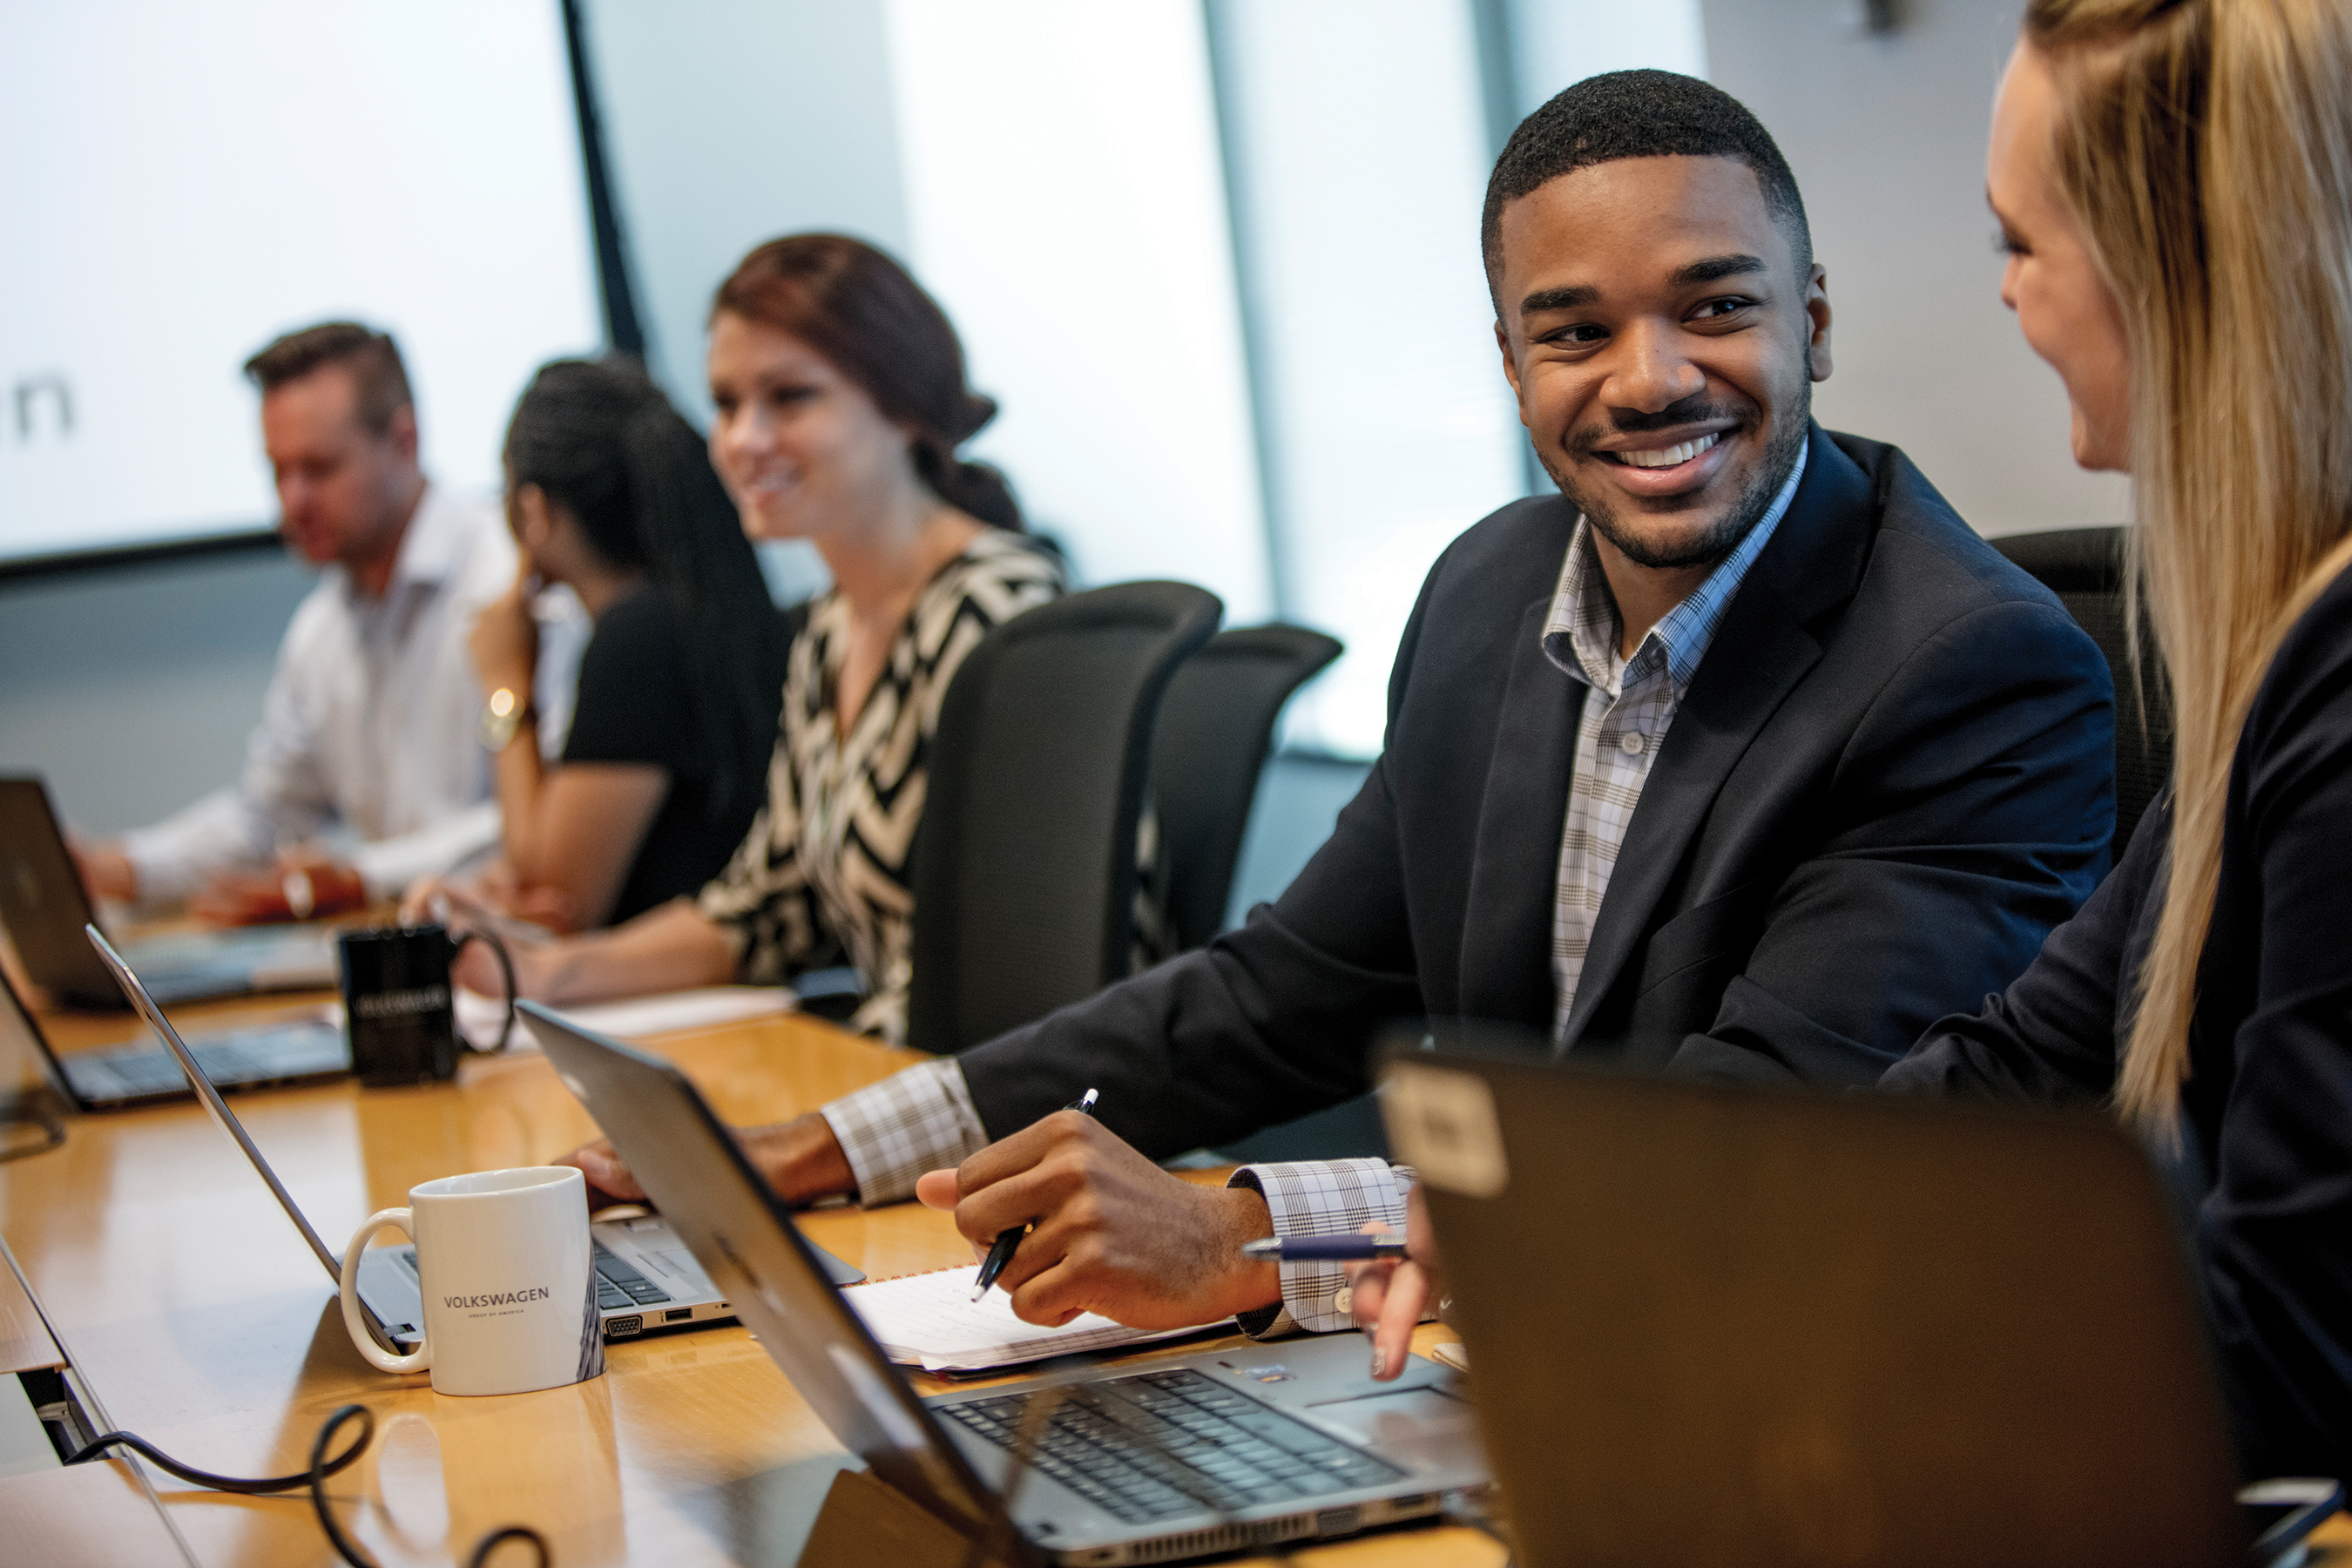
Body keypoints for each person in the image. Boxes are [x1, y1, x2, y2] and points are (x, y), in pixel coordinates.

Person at [567, 75, 2119, 1347]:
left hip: (1760, 1372)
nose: (1649, 381)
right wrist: (835, 1147)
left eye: (1714, 308)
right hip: (1494, 1364)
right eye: (1575, 331)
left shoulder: (1970, 670)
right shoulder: (1490, 594)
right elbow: (1282, 988)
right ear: (1509, 363)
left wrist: (1247, 1231)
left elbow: (1745, 1142)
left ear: (1816, 323)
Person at [1874, 0, 2352, 1482]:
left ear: (2181, 268)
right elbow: (2024, 1071)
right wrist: (1638, 1231)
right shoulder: (2286, 649)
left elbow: (2292, 1345)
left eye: (2024, 243)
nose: (2009, 298)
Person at [451, 235, 1065, 1043]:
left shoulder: (996, 617)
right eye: (728, 403)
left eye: (791, 397)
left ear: (905, 408)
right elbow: (761, 912)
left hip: (994, 1115)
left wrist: (809, 1124)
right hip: (900, 1088)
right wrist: (534, 971)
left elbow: (1011, 985)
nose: (744, 439)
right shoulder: (829, 632)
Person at [74, 323, 580, 923]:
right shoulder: (321, 630)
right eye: (278, 472)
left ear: (403, 440)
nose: (293, 501)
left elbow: (552, 823)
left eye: (318, 469)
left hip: (517, 955)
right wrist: (123, 867)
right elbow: (268, 819)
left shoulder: (517, 581)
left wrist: (360, 876)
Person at [422, 359, 787, 932]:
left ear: (535, 511)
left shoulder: (639, 637)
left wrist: (505, 690)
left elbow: (556, 900)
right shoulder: (696, 606)